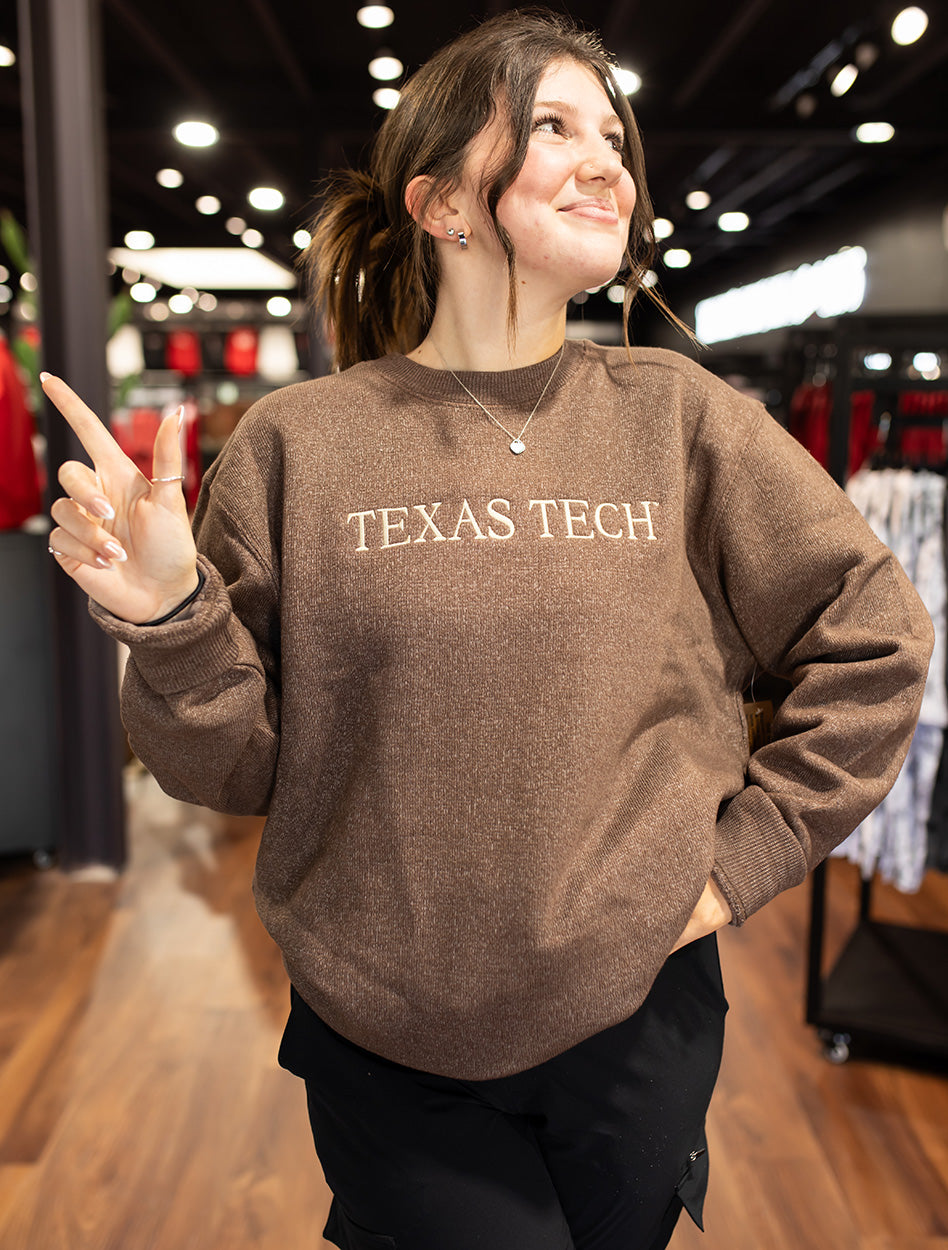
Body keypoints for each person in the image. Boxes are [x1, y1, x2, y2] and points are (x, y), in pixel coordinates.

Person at [41, 9, 932, 1249]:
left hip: (636, 1017)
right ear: (442, 202)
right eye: (555, 126)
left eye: (614, 135)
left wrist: (739, 865)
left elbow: (876, 635)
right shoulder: (303, 443)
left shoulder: (681, 417)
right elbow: (233, 769)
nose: (609, 161)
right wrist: (171, 616)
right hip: (384, 1029)